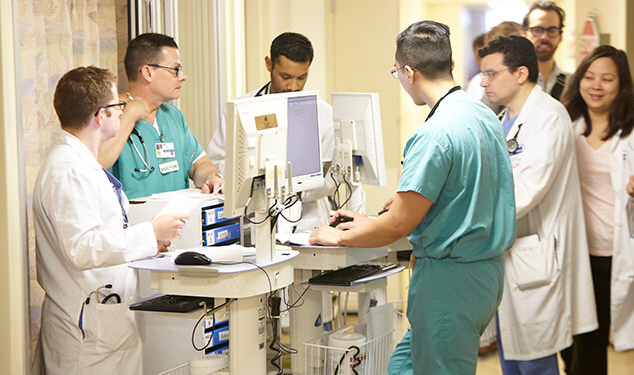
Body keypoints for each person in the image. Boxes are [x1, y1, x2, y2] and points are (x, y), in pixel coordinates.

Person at [310, 20, 516, 374]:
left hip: (449, 281)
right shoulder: (483, 115)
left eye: (396, 73)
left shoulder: (434, 135)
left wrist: (338, 235)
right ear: (450, 64)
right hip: (483, 275)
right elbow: (463, 193)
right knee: (403, 366)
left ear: (408, 72)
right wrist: (375, 221)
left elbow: (400, 224)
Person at [32, 66, 188, 374]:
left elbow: (102, 233)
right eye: (118, 106)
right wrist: (149, 231)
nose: (122, 111)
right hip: (86, 332)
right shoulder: (67, 170)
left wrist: (149, 243)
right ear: (100, 116)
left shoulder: (82, 163)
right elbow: (82, 248)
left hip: (106, 319)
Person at [478, 35, 597, 375]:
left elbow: (524, 192)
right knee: (514, 359)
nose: (483, 81)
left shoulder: (548, 116)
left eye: (491, 73)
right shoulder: (506, 119)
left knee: (535, 362)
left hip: (540, 257)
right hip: (514, 256)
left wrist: (466, 210)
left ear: (520, 73)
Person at [562, 45, 634, 375]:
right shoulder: (568, 126)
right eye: (589, 77)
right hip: (585, 256)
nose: (596, 86)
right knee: (586, 351)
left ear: (621, 84)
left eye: (607, 79)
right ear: (579, 80)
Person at [206, 32, 335, 230]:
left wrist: (287, 187)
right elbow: (217, 162)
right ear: (269, 64)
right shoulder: (241, 109)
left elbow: (329, 178)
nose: (293, 86)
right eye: (285, 77)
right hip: (253, 220)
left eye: (302, 77)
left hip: (307, 222)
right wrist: (257, 182)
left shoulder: (323, 114)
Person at [101, 33, 224, 199]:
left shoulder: (173, 116)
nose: (183, 77)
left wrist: (211, 177)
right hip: (136, 223)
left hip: (176, 221)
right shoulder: (110, 113)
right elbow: (96, 164)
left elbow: (198, 163)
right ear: (148, 72)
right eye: (176, 70)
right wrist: (130, 115)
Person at [523, 0, 569, 100]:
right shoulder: (511, 81)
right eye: (537, 30)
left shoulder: (571, 85)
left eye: (552, 30)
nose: (544, 37)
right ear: (525, 35)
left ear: (560, 36)